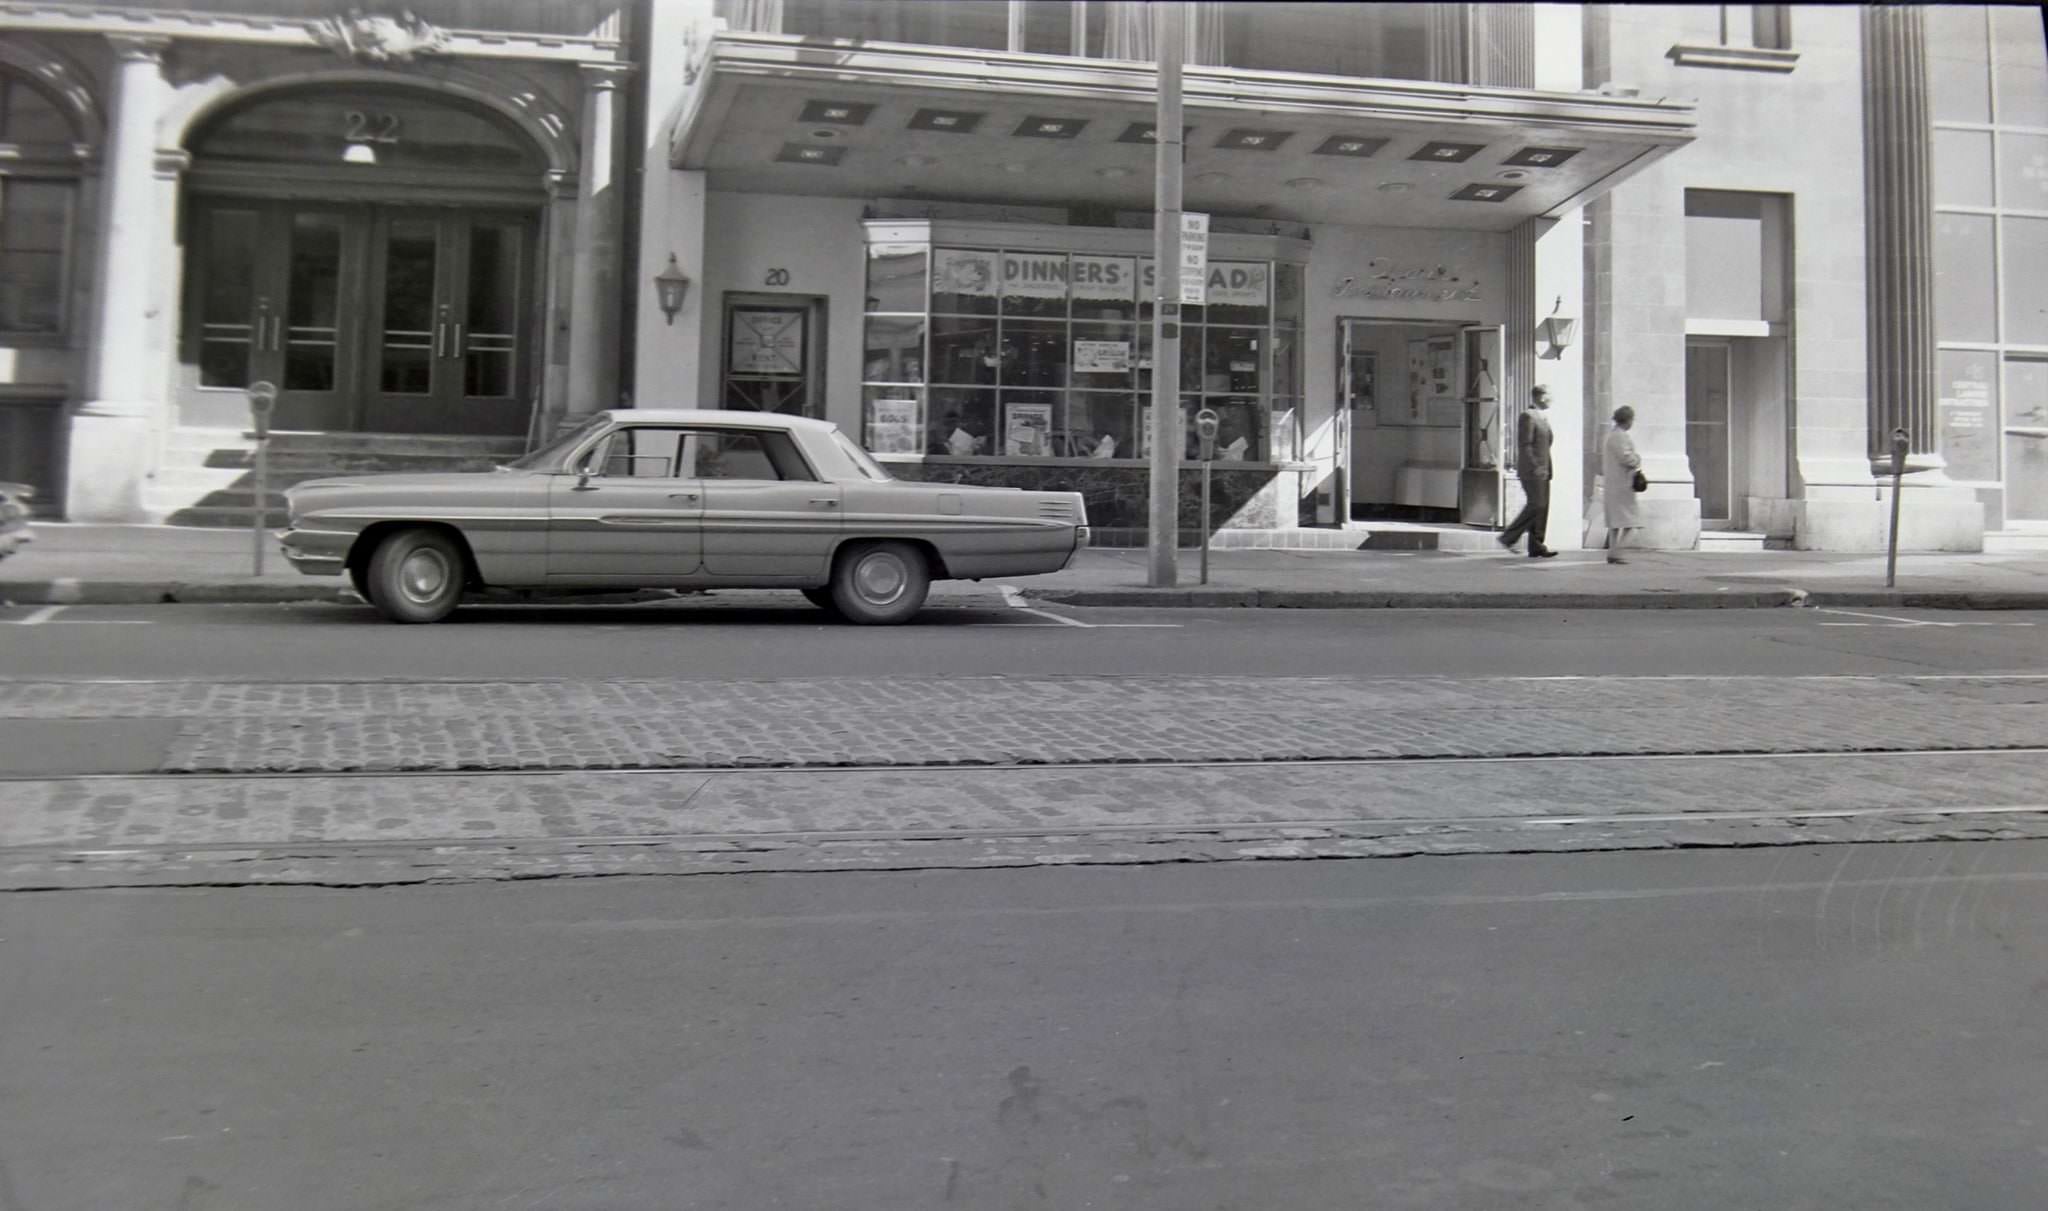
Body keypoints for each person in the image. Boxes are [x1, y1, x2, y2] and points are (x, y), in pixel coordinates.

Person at [1497, 385, 1557, 557]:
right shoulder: (1528, 416)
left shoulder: (1543, 418)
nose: (1552, 400)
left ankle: (1537, 545)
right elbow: (1525, 445)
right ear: (1541, 397)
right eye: (1549, 396)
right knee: (1536, 504)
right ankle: (1508, 537)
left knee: (1542, 507)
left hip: (1544, 470)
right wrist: (1536, 466)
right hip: (1532, 471)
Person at [1602, 405, 1644, 564]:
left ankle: (1613, 552)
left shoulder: (1611, 435)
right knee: (1632, 522)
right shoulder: (1621, 436)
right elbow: (1626, 458)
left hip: (1614, 484)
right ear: (1627, 420)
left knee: (1615, 523)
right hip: (1622, 485)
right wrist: (1637, 458)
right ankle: (1617, 552)